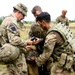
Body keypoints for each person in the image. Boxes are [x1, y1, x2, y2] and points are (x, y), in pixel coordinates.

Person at [0, 3, 34, 75]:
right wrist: (26, 42)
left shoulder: (7, 19)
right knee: (20, 72)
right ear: (19, 12)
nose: (23, 18)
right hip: (10, 51)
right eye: (23, 15)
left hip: (7, 50)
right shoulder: (12, 21)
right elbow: (13, 39)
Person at [26, 6, 47, 75]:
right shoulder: (33, 26)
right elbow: (30, 36)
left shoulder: (47, 22)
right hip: (38, 50)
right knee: (38, 69)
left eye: (38, 15)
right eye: (35, 16)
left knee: (47, 69)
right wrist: (32, 41)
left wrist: (41, 40)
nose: (37, 17)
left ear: (42, 11)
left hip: (47, 50)